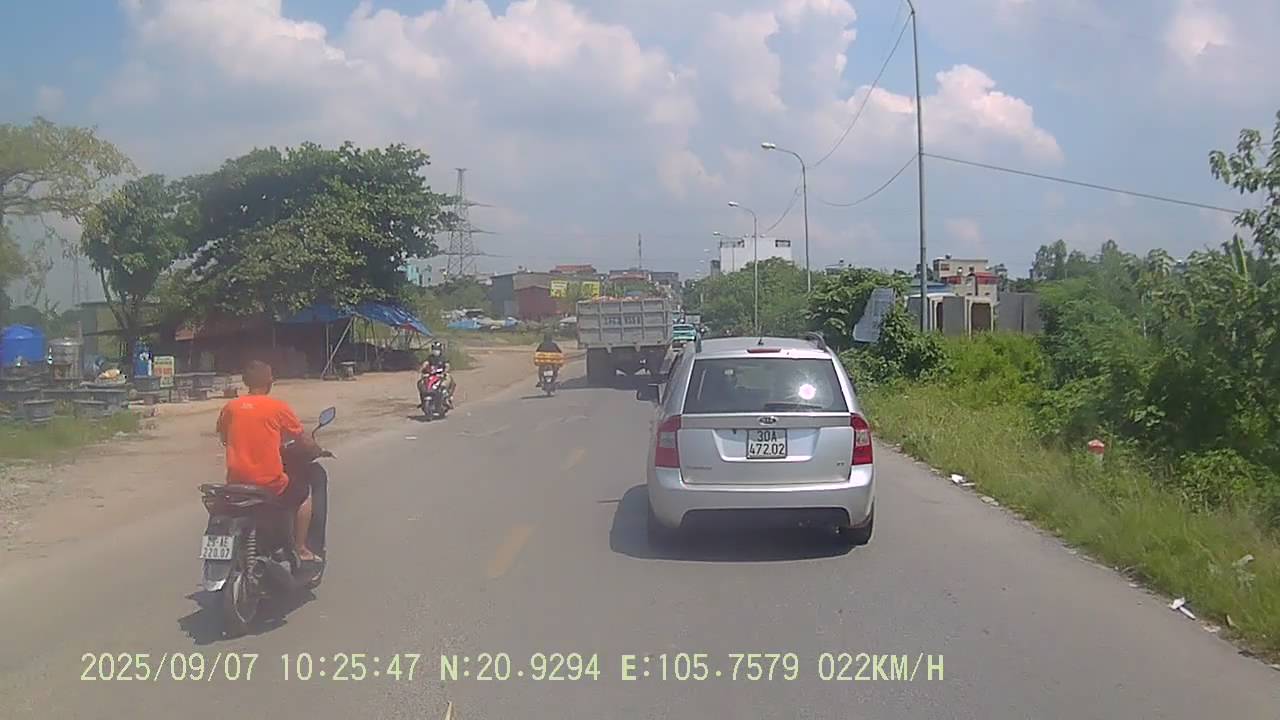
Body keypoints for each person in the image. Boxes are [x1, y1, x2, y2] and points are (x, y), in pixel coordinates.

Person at [216, 360, 323, 565]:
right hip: (269, 483)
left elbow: (224, 437)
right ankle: (301, 549)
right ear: (269, 381)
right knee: (304, 496)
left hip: (236, 482)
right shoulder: (277, 407)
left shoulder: (231, 407)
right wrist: (315, 449)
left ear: (246, 382)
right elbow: (302, 439)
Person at [419, 340, 455, 409]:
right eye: (434, 349)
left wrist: (444, 373)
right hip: (431, 375)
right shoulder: (430, 358)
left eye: (437, 349)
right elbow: (425, 364)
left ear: (440, 350)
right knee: (421, 384)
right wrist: (422, 370)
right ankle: (423, 400)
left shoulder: (443, 358)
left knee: (447, 382)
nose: (435, 351)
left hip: (441, 375)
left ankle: (447, 399)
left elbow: (447, 366)